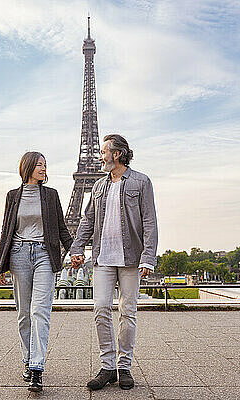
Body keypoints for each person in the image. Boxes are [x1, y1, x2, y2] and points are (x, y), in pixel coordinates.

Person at [70, 134, 158, 391]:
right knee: (101, 310)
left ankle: (124, 366)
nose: (100, 156)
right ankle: (107, 366)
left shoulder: (141, 182)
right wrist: (76, 248)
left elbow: (149, 221)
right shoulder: (98, 186)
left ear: (116, 154)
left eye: (103, 152)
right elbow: (87, 221)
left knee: (128, 312)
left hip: (131, 258)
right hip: (102, 258)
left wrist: (148, 257)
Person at [0, 151, 73, 392]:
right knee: (24, 314)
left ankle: (37, 368)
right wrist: (1, 265)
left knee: (40, 311)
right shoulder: (12, 196)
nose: (43, 168)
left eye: (45, 165)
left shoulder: (51, 195)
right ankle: (28, 360)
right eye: (39, 164)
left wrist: (75, 250)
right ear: (27, 167)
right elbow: (6, 230)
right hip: (19, 254)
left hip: (44, 255)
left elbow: (61, 227)